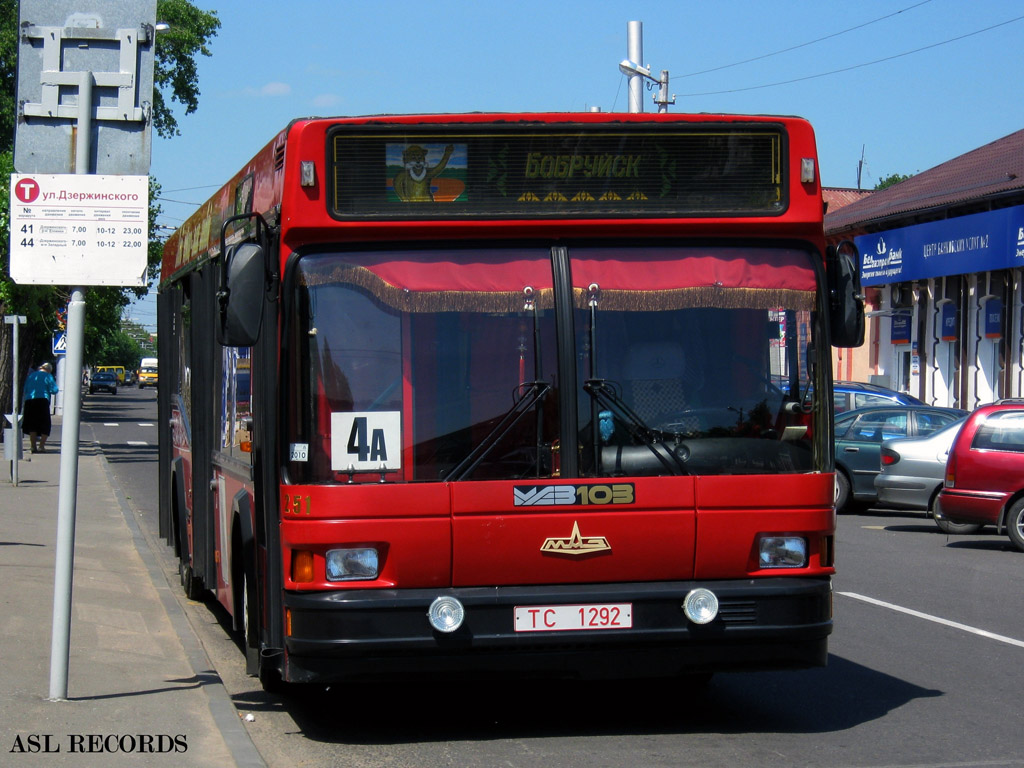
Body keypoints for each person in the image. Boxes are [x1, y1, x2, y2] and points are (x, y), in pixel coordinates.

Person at [23, 362, 59, 453]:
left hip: (30, 400)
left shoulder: (31, 376)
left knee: (32, 423)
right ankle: (41, 446)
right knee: (45, 424)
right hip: (42, 401)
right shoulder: (48, 376)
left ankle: (33, 446)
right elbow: (54, 390)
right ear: (49, 370)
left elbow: (25, 389)